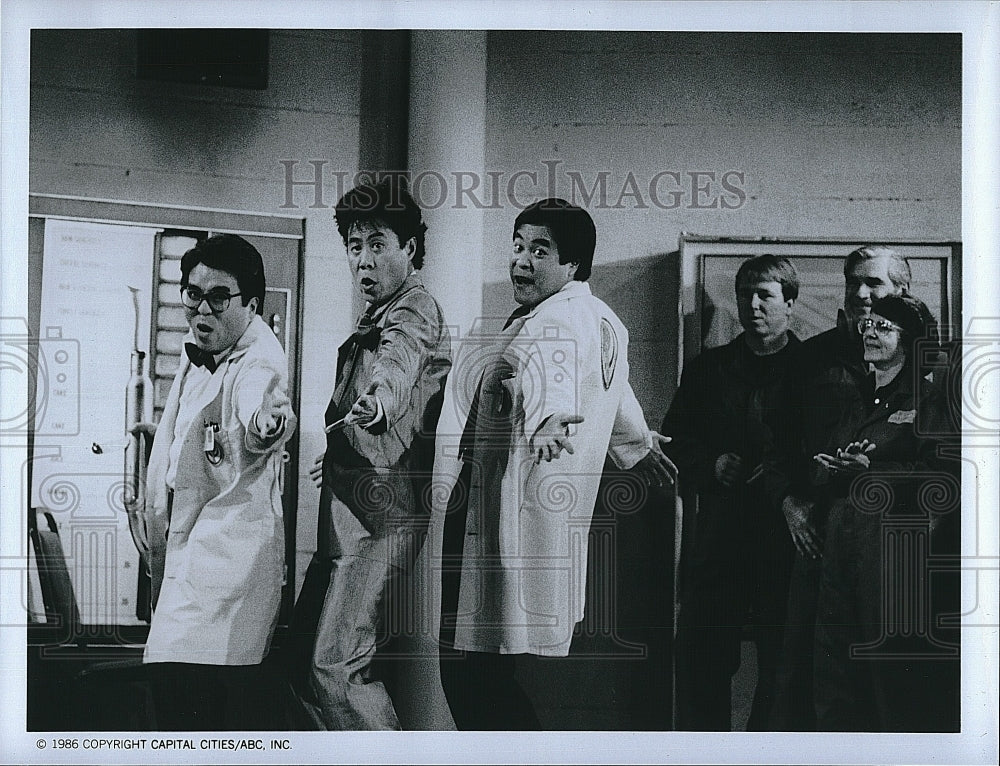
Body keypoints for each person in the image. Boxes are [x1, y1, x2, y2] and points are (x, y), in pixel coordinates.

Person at [437, 198, 674, 730]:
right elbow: (617, 393)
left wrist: (548, 419)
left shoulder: (557, 317)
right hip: (537, 520)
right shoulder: (604, 319)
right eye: (518, 247)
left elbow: (553, 369)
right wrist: (639, 443)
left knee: (468, 669)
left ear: (573, 265)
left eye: (539, 250)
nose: (521, 261)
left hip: (510, 514)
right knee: (486, 670)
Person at [289, 178, 451, 730]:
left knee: (333, 668)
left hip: (384, 518)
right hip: (351, 511)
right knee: (300, 664)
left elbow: (397, 366)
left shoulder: (414, 311)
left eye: (378, 243)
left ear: (409, 248)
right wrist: (336, 452)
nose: (363, 259)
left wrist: (378, 404)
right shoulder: (377, 315)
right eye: (355, 246)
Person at [136, 233, 296, 730]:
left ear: (250, 304)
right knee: (178, 693)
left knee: (187, 694)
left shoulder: (260, 360)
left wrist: (267, 424)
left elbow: (263, 409)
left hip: (226, 561)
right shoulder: (200, 348)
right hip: (191, 553)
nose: (202, 309)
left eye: (219, 297)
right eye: (193, 293)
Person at [767, 245, 912, 729]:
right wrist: (789, 501)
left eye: (875, 283)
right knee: (807, 668)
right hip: (812, 536)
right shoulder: (811, 359)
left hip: (892, 546)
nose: (862, 293)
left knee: (883, 669)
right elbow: (775, 443)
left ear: (901, 293)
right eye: (854, 282)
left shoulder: (927, 369)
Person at [663, 254, 801, 730]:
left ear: (790, 303)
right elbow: (673, 441)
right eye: (745, 294)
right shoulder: (708, 370)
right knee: (700, 658)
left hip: (786, 544)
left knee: (785, 669)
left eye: (765, 294)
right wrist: (710, 464)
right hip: (720, 542)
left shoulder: (811, 371)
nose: (753, 305)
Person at [811, 294, 960, 731]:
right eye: (866, 325)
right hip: (842, 542)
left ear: (910, 340)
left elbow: (946, 477)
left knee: (888, 673)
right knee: (833, 663)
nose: (870, 332)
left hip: (893, 553)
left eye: (883, 326)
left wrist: (873, 471)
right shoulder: (858, 398)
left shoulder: (930, 398)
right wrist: (828, 469)